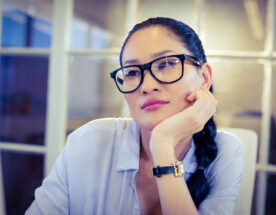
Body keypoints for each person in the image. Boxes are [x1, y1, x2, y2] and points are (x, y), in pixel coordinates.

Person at [26, 17, 244, 215]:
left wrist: (163, 144)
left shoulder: (226, 151)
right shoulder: (88, 141)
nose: (147, 87)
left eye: (166, 64)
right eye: (131, 72)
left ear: (204, 77)